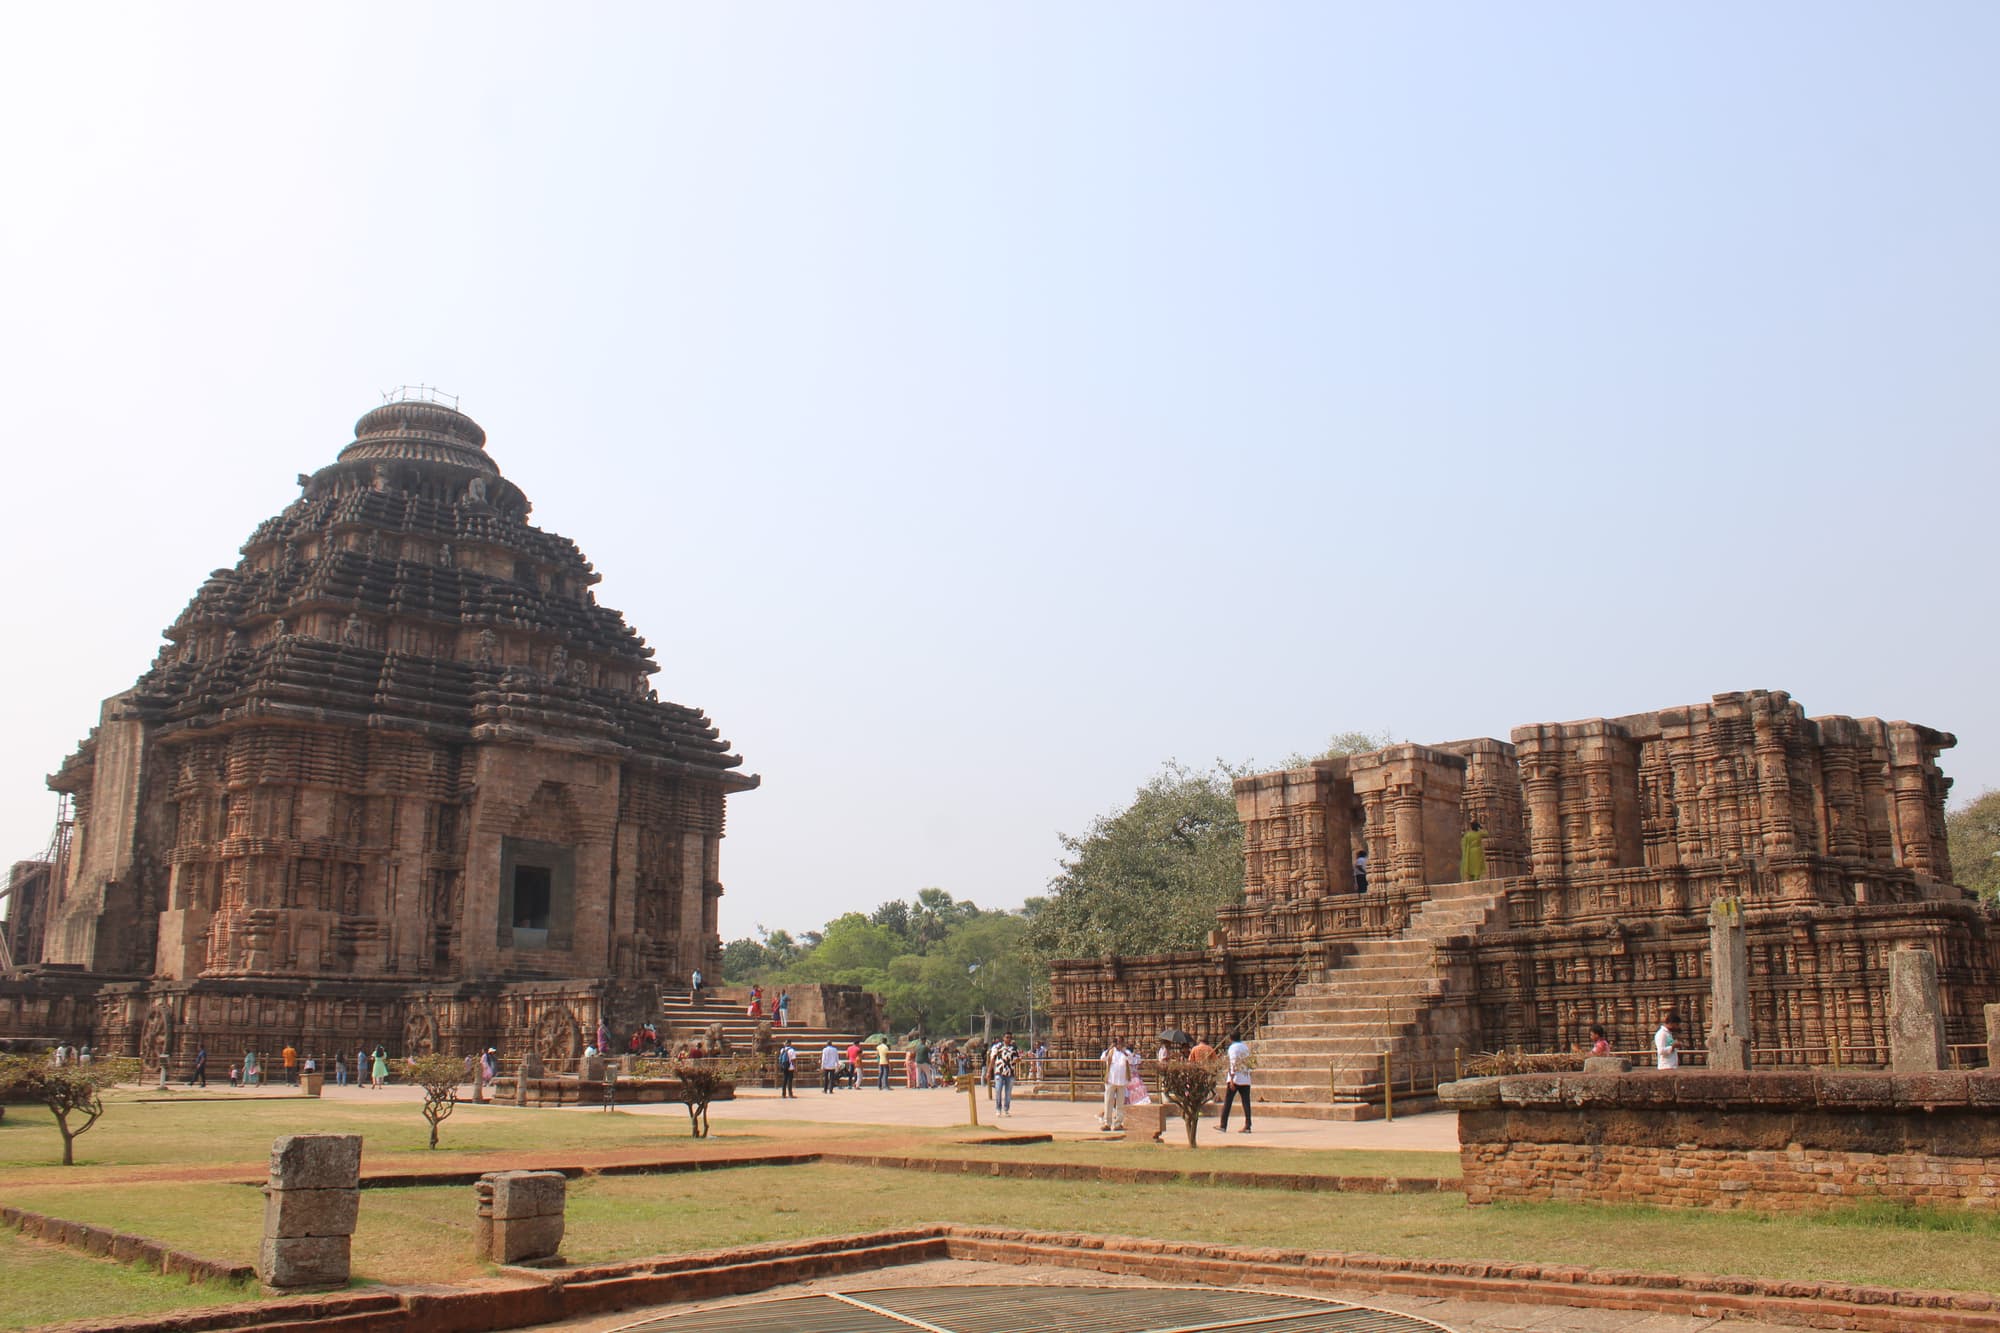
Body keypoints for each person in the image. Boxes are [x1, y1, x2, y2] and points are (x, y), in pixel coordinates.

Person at [1099, 1035, 1131, 1132]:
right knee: (1108, 1102)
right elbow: (1102, 1058)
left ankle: (1118, 1123)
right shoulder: (1110, 1052)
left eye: (1120, 1042)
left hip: (1122, 1081)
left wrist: (1123, 1051)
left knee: (1120, 1104)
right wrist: (1110, 1047)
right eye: (1117, 1042)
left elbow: (1132, 1059)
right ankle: (1107, 1123)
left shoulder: (1126, 1053)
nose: (1119, 1044)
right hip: (1111, 1080)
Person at [1220, 1038, 1253, 1133]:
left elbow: (1233, 1063)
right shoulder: (1245, 1047)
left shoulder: (1233, 1048)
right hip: (1245, 1077)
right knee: (1246, 1102)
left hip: (1235, 1079)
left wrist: (1231, 1079)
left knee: (1228, 1101)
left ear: (1231, 1039)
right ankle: (1248, 1125)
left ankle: (1223, 1124)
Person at [989, 1032, 1019, 1116]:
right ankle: (998, 1108)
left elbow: (1016, 1058)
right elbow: (992, 1059)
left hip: (1010, 1073)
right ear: (1003, 1038)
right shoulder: (997, 1047)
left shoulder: (1013, 1048)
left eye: (1010, 1038)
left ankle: (1006, 1109)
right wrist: (989, 1071)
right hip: (999, 1071)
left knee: (1008, 1093)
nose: (1008, 1039)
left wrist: (1017, 1060)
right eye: (1007, 1037)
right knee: (998, 1090)